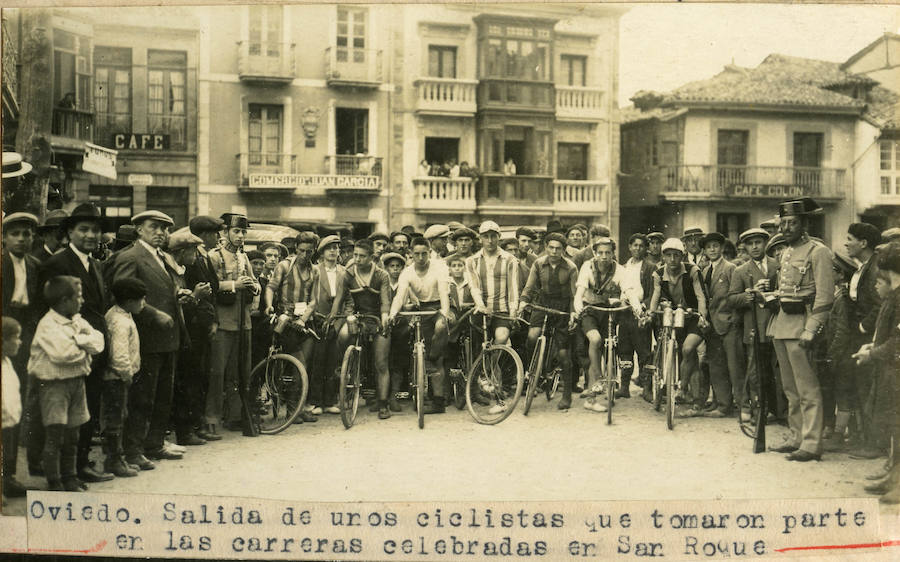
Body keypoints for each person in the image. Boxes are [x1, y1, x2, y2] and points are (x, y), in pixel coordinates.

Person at [37, 203, 114, 483]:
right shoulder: (58, 263)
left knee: (86, 410)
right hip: (67, 349)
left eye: (95, 230)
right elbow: (47, 309)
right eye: (83, 229)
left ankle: (80, 465)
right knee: (65, 419)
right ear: (70, 232)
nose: (91, 235)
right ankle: (64, 472)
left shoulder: (94, 264)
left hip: (91, 350)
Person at [109, 210, 186, 468]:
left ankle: (154, 444)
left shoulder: (161, 257)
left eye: (165, 229)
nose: (160, 233)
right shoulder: (131, 256)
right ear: (139, 229)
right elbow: (122, 291)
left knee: (163, 396)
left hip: (167, 338)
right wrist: (154, 314)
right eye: (154, 227)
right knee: (142, 398)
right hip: (145, 336)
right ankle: (133, 449)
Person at [767, 198, 833, 462]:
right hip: (782, 325)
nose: (786, 228)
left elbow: (825, 296)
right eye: (783, 223)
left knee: (807, 388)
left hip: (802, 327)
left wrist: (812, 328)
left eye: (792, 222)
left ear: (805, 223)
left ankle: (812, 443)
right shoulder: (785, 253)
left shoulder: (818, 252)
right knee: (790, 388)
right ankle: (796, 437)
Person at [28, 276, 104, 491]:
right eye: (78, 297)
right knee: (56, 435)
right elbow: (63, 354)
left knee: (73, 435)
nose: (82, 301)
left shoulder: (78, 320)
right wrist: (84, 346)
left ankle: (69, 476)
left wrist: (80, 341)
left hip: (76, 383)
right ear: (63, 301)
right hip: (54, 386)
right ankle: (54, 480)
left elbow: (99, 341)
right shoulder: (48, 325)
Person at [852, 243, 900, 503]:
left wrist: (872, 353)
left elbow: (898, 342)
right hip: (889, 370)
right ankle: (893, 476)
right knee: (894, 427)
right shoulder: (894, 294)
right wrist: (872, 345)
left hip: (896, 370)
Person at [206, 213, 260, 434]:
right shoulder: (214, 256)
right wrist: (234, 285)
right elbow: (211, 285)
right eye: (236, 231)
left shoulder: (243, 257)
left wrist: (254, 288)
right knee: (217, 373)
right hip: (223, 322)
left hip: (243, 322)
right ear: (225, 231)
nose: (240, 236)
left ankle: (236, 416)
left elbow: (255, 282)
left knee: (240, 373)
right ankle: (212, 418)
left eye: (243, 232)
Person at [574, 237, 641, 412]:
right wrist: (579, 308)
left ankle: (590, 399)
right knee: (594, 340)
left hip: (609, 312)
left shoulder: (619, 270)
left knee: (607, 349)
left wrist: (636, 307)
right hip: (589, 310)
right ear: (595, 253)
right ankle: (597, 380)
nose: (604, 256)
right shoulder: (587, 267)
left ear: (613, 254)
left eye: (608, 253)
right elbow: (579, 293)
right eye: (600, 252)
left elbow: (628, 290)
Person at [645, 238, 710, 414]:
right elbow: (655, 295)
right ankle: (695, 399)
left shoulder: (692, 270)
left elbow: (701, 296)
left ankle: (682, 388)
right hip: (673, 318)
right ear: (663, 257)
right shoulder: (658, 274)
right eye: (668, 255)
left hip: (693, 317)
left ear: (682, 256)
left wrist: (702, 316)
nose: (672, 259)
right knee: (680, 354)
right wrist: (651, 312)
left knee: (688, 350)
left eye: (676, 255)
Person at [727, 228, 784, 424]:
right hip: (754, 328)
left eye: (758, 242)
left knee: (777, 370)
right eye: (750, 244)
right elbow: (732, 298)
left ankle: (779, 411)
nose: (754, 247)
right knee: (755, 371)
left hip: (777, 325)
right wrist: (749, 294)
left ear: (765, 243)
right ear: (745, 247)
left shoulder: (779, 266)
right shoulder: (740, 271)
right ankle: (759, 408)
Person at [388, 237, 451, 414]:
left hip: (440, 306)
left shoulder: (439, 267)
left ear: (429, 253)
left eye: (424, 253)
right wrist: (393, 313)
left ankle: (438, 398)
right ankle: (431, 394)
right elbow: (399, 297)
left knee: (438, 336)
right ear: (411, 254)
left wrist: (444, 313)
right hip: (422, 309)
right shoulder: (407, 273)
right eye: (417, 254)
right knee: (419, 347)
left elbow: (444, 294)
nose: (421, 257)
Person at [263, 232, 319, 423]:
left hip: (304, 322)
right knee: (298, 363)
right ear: (296, 249)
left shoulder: (315, 271)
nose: (305, 255)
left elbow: (313, 301)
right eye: (301, 251)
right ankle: (292, 410)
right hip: (285, 320)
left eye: (309, 252)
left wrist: (303, 319)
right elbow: (271, 287)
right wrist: (269, 305)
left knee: (306, 365)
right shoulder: (284, 266)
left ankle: (299, 408)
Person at [517, 232, 578, 409]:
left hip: (562, 307)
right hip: (542, 303)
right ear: (546, 248)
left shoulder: (571, 267)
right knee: (532, 336)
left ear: (563, 250)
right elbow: (529, 287)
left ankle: (566, 395)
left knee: (563, 353)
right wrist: (523, 302)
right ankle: (532, 371)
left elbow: (575, 295)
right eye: (551, 248)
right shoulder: (538, 263)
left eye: (558, 249)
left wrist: (573, 313)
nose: (554, 251)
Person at [167, 230, 215, 446]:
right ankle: (183, 432)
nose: (196, 255)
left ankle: (188, 430)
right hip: (176, 335)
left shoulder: (182, 270)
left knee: (190, 381)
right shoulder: (172, 271)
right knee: (183, 385)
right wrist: (195, 296)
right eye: (193, 251)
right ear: (182, 251)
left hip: (187, 334)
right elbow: (175, 306)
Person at [844, 223, 883, 458]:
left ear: (863, 243)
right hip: (859, 335)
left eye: (850, 239)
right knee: (860, 386)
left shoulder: (874, 268)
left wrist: (862, 327)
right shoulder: (864, 267)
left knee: (868, 387)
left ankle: (873, 443)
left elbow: (879, 305)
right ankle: (865, 438)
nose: (846, 243)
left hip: (868, 337)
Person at [102, 278, 146, 478]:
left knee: (119, 415)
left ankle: (117, 457)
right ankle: (114, 460)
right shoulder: (120, 322)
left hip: (119, 376)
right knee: (116, 418)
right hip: (117, 377)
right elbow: (119, 355)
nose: (143, 304)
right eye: (141, 300)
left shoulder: (121, 314)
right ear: (129, 301)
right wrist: (127, 375)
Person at [344, 239, 393, 419]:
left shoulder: (382, 275)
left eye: (362, 256)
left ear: (371, 257)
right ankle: (343, 377)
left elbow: (386, 301)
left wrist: (385, 317)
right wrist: (339, 315)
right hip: (358, 319)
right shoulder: (348, 274)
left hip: (378, 319)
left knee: (381, 363)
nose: (357, 259)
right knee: (344, 339)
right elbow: (342, 299)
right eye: (355, 255)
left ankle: (383, 404)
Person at [185, 216, 223, 441]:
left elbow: (214, 292)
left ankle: (197, 423)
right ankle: (192, 426)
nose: (218, 238)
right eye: (215, 234)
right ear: (204, 235)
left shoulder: (204, 257)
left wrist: (214, 321)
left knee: (202, 376)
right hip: (193, 327)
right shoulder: (191, 258)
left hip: (205, 326)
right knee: (193, 376)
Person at [699, 232, 742, 418]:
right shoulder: (705, 270)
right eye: (708, 247)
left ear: (722, 248)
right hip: (711, 325)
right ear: (705, 251)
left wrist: (734, 320)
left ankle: (742, 406)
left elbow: (736, 295)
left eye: (715, 246)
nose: (712, 250)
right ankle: (723, 404)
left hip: (728, 324)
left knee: (735, 366)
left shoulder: (731, 268)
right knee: (716, 366)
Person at [309, 235, 352, 415]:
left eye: (336, 248)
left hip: (338, 320)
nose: (333, 251)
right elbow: (310, 296)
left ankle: (330, 400)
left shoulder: (344, 272)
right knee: (318, 360)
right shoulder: (315, 271)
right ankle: (315, 401)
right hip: (318, 319)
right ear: (322, 252)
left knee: (334, 361)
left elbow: (349, 299)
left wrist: (345, 317)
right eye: (329, 248)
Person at [819, 250, 857, 452]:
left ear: (840, 274)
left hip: (841, 356)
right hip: (838, 354)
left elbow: (841, 331)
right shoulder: (838, 295)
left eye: (831, 270)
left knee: (843, 394)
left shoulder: (842, 299)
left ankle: (839, 434)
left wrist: (832, 355)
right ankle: (835, 430)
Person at [621, 233, 655, 401]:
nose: (637, 248)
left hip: (641, 312)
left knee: (644, 352)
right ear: (629, 247)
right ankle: (624, 386)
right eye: (635, 245)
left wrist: (644, 307)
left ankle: (646, 388)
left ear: (645, 248)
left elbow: (652, 293)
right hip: (625, 312)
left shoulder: (649, 267)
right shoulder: (624, 266)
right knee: (624, 350)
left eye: (641, 246)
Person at [2, 317, 34, 497]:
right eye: (15, 338)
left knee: (8, 453)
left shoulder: (8, 363)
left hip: (10, 419)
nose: (20, 342)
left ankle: (7, 480)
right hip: (4, 418)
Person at [382, 252, 411, 409]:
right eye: (391, 266)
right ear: (386, 268)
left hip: (401, 327)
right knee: (382, 361)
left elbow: (413, 301)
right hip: (385, 325)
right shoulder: (383, 283)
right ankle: (381, 396)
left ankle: (394, 396)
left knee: (398, 362)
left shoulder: (405, 284)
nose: (395, 269)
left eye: (398, 266)